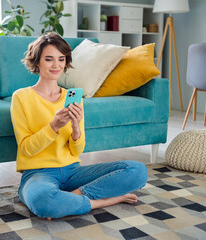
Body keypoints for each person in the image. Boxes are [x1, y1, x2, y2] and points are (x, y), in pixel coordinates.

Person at [10, 32, 148, 220]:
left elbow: (77, 151)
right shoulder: (21, 97)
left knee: (137, 171)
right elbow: (26, 149)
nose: (56, 65)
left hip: (72, 171)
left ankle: (68, 201)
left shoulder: (72, 98)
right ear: (37, 62)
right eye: (49, 59)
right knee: (43, 199)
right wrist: (54, 126)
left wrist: (76, 128)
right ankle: (105, 201)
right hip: (38, 174)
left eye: (61, 59)